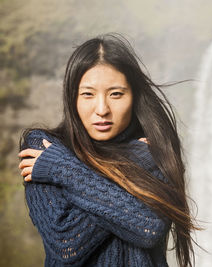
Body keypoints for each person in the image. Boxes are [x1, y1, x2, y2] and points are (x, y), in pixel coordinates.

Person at [18, 33, 200, 267]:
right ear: (72, 97)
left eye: (116, 94)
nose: (102, 109)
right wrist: (135, 164)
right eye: (88, 94)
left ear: (133, 96)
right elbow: (65, 244)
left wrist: (62, 168)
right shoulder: (43, 147)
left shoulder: (154, 152)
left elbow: (148, 226)